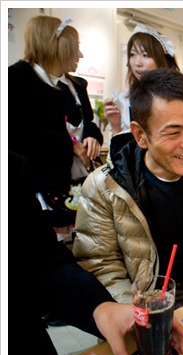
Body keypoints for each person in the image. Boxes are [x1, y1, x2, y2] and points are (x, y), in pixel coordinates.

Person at [8, 151, 183, 355]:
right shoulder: (102, 184)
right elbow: (99, 259)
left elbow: (42, 263)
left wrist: (100, 306)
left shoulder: (9, 168)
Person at [74, 69, 183, 307]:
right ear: (140, 135)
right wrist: (140, 312)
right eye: (173, 132)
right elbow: (100, 262)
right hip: (142, 306)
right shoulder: (104, 186)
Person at [8, 15, 103, 234]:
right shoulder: (17, 79)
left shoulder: (77, 85)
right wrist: (68, 144)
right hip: (39, 186)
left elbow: (87, 122)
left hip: (78, 182)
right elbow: (17, 136)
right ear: (57, 47)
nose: (80, 55)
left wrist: (91, 137)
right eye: (75, 48)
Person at [103, 24, 179, 160]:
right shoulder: (124, 99)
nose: (137, 62)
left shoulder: (174, 98)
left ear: (160, 59)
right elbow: (120, 156)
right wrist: (116, 125)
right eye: (132, 54)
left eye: (145, 55)